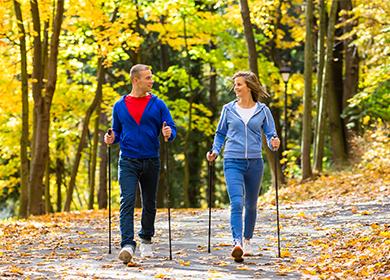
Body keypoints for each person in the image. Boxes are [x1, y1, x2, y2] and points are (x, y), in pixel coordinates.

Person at [104, 64, 176, 263]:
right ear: (136, 80)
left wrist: (168, 133)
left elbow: (171, 127)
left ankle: (146, 238)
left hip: (151, 159)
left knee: (149, 203)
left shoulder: (158, 104)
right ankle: (127, 244)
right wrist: (111, 138)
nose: (151, 81)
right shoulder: (119, 105)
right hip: (127, 160)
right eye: (148, 78)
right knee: (126, 201)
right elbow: (116, 131)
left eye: (151, 77)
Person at [206, 71, 280, 263]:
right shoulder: (228, 109)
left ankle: (247, 240)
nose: (235, 88)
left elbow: (271, 132)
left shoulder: (263, 110)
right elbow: (220, 133)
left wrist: (274, 141)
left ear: (249, 86)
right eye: (235, 84)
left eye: (239, 84)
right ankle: (236, 242)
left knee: (251, 205)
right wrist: (215, 150)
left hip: (255, 162)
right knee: (237, 203)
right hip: (232, 160)